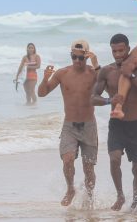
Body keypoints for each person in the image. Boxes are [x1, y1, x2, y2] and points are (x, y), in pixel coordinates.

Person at [91, 34, 137, 211]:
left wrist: (131, 75)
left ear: (128, 49)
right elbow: (93, 98)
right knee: (114, 159)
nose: (118, 54)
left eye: (121, 50)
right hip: (117, 124)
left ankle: (134, 201)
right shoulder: (106, 71)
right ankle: (120, 195)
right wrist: (108, 101)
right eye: (114, 51)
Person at [38, 39, 100, 207]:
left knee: (89, 169)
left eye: (81, 58)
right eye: (74, 57)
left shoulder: (93, 73)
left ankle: (89, 197)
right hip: (69, 126)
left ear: (87, 57)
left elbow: (108, 87)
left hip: (89, 126)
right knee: (67, 159)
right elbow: (42, 93)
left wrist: (96, 64)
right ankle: (70, 189)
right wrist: (45, 78)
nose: (77, 61)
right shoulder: (62, 74)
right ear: (71, 56)